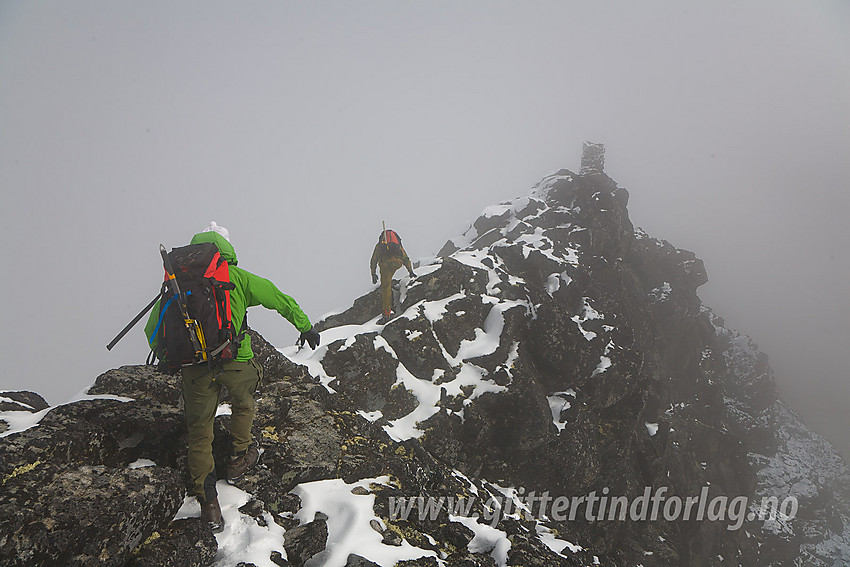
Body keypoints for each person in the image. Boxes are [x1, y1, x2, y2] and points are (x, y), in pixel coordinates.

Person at [144, 222, 320, 532]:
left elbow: (152, 330)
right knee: (244, 403)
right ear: (227, 250)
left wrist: (170, 355)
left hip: (194, 367)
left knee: (199, 432)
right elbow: (278, 298)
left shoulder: (177, 282)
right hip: (235, 361)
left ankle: (209, 503)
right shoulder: (237, 277)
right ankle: (240, 456)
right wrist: (305, 326)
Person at [370, 228, 415, 322]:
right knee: (389, 277)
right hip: (397, 263)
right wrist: (410, 271)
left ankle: (386, 313)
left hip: (385, 264)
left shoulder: (379, 245)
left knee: (386, 286)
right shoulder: (396, 244)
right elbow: (405, 257)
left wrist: (373, 273)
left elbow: (374, 260)